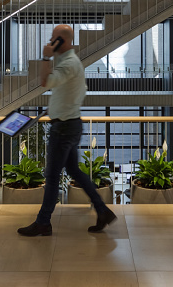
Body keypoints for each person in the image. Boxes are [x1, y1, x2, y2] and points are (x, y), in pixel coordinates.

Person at [18, 24, 117, 237]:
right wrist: (55, 107)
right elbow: (73, 91)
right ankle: (102, 211)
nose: (50, 41)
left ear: (62, 41)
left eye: (54, 38)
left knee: (52, 177)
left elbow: (45, 82)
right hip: (69, 123)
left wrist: (46, 58)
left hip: (63, 128)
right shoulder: (70, 62)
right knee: (75, 172)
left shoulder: (69, 63)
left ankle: (43, 222)